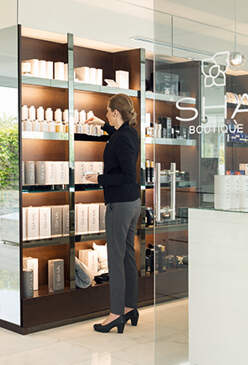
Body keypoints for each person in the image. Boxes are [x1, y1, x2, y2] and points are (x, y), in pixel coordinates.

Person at [85, 93, 141, 334]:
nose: (106, 114)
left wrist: (98, 178)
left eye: (108, 111)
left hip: (120, 204)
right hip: (132, 202)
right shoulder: (128, 133)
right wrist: (102, 125)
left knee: (115, 260)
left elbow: (127, 175)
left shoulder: (122, 138)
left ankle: (115, 314)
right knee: (127, 256)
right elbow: (117, 135)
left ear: (116, 113)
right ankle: (129, 308)